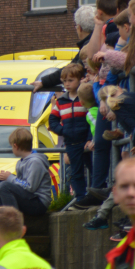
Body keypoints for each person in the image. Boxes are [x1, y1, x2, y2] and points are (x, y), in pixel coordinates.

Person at [48, 63, 91, 199]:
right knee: (76, 172)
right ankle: (80, 198)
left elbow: (92, 118)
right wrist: (62, 130)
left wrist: (90, 136)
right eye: (65, 81)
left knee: (93, 167)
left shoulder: (84, 97)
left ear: (80, 79)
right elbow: (52, 120)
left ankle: (95, 195)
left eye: (70, 80)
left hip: (86, 141)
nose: (67, 84)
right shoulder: (61, 101)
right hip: (71, 143)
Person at [32, 4, 96, 91]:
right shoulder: (99, 41)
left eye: (76, 26)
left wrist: (43, 82)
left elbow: (72, 68)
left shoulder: (88, 46)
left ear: (79, 28)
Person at [0, 128, 52, 216]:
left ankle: (13, 224)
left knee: (4, 186)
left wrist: (10, 178)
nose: (12, 149)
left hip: (38, 203)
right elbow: (20, 184)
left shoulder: (35, 162)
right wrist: (9, 178)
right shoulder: (21, 162)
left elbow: (30, 187)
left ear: (16, 146)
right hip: (29, 197)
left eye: (12, 146)